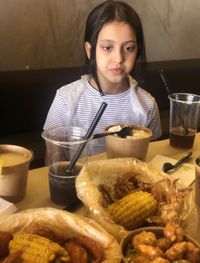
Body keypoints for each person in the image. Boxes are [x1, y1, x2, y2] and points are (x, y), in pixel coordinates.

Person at [43, 0, 162, 151]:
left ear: (137, 51)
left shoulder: (147, 105)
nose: (118, 58)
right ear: (89, 50)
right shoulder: (66, 100)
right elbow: (53, 163)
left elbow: (152, 159)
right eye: (107, 47)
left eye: (128, 48)